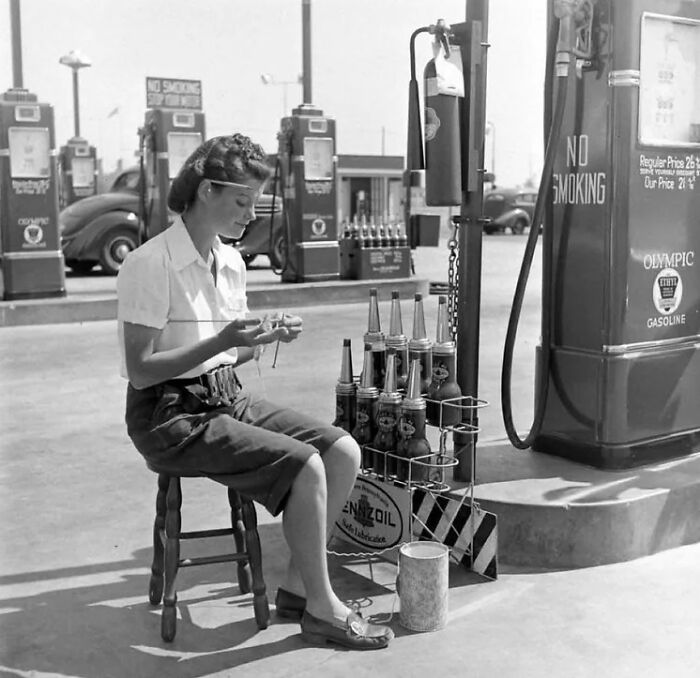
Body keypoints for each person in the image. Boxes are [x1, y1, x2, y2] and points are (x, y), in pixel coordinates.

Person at [116, 133, 393, 651]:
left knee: (342, 452)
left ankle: (295, 589)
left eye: (255, 202)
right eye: (241, 200)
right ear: (204, 192)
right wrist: (221, 339)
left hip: (224, 396)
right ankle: (324, 608)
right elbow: (140, 371)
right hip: (170, 415)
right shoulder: (150, 264)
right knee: (307, 464)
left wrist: (261, 338)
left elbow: (231, 354)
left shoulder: (232, 262)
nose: (250, 213)